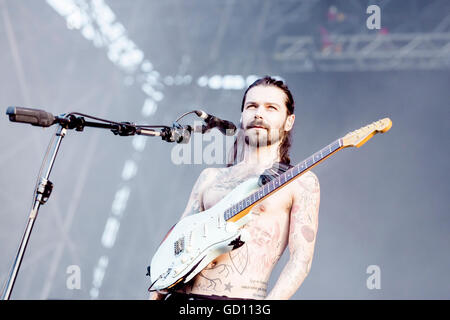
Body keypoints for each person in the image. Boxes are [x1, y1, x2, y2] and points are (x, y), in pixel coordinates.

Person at [149, 76, 320, 300]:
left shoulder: (299, 181)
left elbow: (301, 260)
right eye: (252, 106)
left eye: (271, 108)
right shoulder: (209, 177)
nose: (259, 113)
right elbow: (173, 247)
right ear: (242, 116)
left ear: (289, 121)